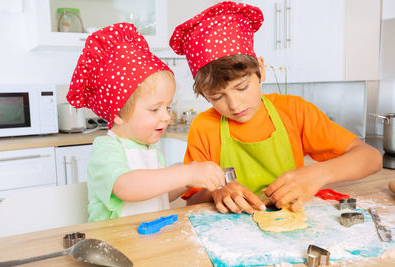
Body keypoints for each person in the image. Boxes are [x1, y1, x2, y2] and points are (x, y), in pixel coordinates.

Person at [169, 2, 382, 214]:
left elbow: (371, 158)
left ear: (260, 70)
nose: (234, 105)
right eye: (217, 97)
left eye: (242, 87)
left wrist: (317, 174)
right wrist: (217, 191)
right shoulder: (204, 127)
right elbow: (192, 201)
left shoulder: (294, 111)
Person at [67, 23, 225, 222]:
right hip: (114, 244)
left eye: (167, 107)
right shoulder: (107, 148)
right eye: (154, 109)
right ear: (118, 114)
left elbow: (155, 195)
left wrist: (184, 182)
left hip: (146, 240)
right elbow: (127, 187)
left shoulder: (149, 149)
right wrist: (185, 174)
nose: (166, 116)